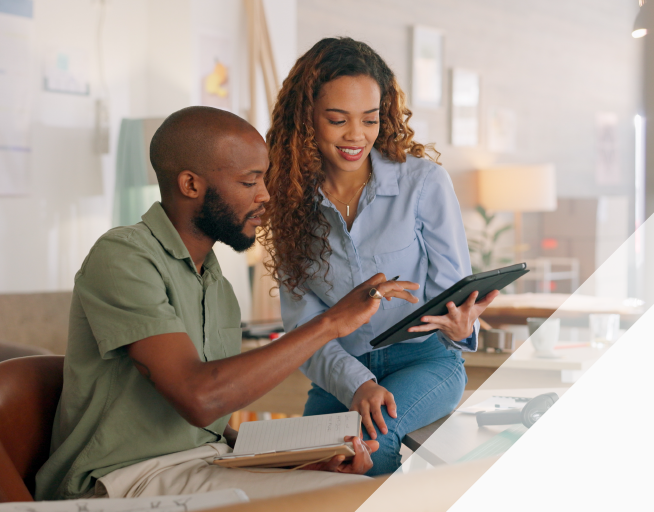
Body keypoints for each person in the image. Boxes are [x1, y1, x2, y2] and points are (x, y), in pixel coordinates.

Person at [35, 106, 418, 501]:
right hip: (123, 481)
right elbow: (200, 399)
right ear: (190, 184)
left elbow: (207, 430)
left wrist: (301, 462)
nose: (265, 195)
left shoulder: (216, 282)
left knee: (353, 487)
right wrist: (330, 324)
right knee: (352, 498)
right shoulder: (123, 257)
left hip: (203, 463)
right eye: (249, 181)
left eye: (264, 180)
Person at [260, 38, 500, 475]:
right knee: (306, 467)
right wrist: (358, 384)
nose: (357, 136)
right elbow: (304, 330)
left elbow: (454, 296)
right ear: (306, 120)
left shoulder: (423, 183)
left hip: (424, 362)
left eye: (369, 119)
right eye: (338, 120)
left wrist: (463, 323)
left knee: (368, 443)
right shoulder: (289, 200)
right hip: (338, 374)